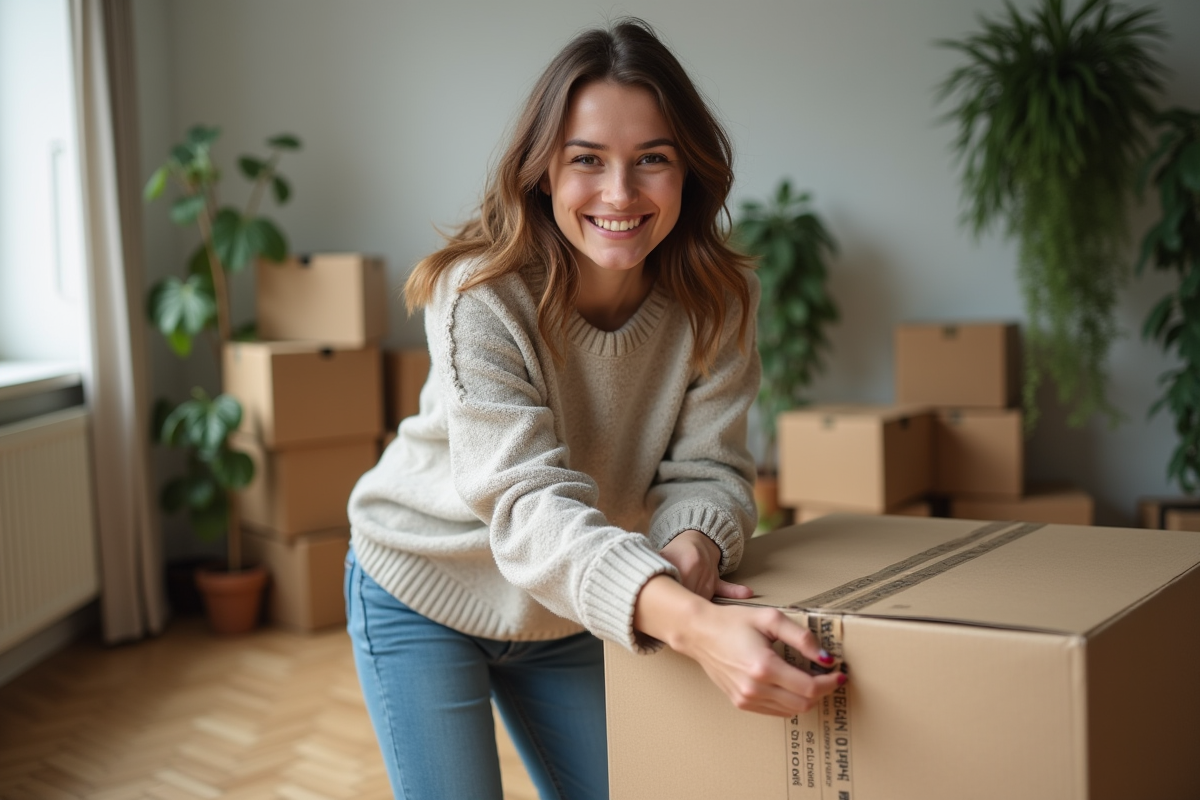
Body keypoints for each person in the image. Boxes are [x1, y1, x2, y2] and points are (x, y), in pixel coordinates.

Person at [345, 18, 845, 800]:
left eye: (653, 159)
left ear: (689, 171)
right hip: (425, 584)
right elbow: (525, 501)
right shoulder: (480, 294)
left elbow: (710, 469)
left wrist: (692, 550)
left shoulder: (719, 301)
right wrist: (693, 626)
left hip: (574, 603)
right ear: (544, 170)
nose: (620, 193)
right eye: (587, 159)